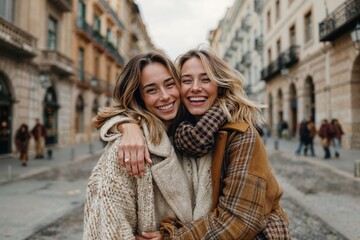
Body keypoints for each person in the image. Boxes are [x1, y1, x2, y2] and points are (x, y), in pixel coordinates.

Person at [114, 49, 290, 239]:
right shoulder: (178, 129)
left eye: (206, 79)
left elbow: (240, 220)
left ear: (220, 86)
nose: (195, 87)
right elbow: (120, 110)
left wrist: (172, 238)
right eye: (187, 80)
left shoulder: (241, 135)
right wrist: (127, 125)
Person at [83, 51, 206, 239]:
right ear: (139, 97)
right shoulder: (127, 149)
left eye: (169, 84)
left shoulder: (192, 135)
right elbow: (111, 229)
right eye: (151, 90)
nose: (165, 96)